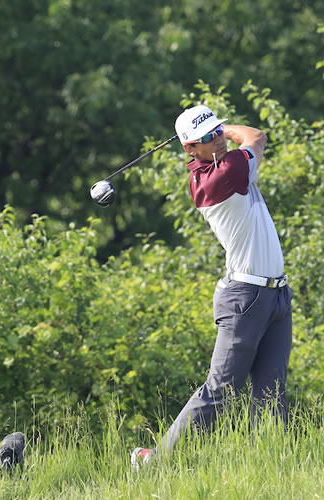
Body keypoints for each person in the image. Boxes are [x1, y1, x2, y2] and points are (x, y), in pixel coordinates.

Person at [131, 105, 293, 468]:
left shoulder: (221, 161)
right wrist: (230, 129)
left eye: (219, 131)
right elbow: (256, 136)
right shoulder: (222, 175)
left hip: (276, 294)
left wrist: (214, 129)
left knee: (272, 392)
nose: (218, 139)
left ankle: (273, 467)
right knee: (221, 390)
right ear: (190, 149)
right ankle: (154, 462)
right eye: (208, 137)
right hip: (246, 299)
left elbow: (239, 140)